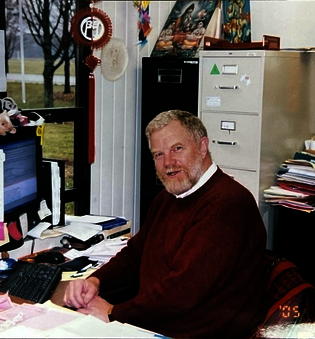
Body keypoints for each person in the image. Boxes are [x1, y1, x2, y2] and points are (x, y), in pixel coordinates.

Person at [64, 110, 267, 338]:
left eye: (177, 149)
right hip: (159, 323)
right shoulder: (169, 198)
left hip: (197, 332)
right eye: (158, 154)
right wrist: (96, 281)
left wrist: (113, 313)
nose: (168, 163)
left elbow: (182, 292)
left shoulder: (227, 204)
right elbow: (135, 257)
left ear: (202, 147)